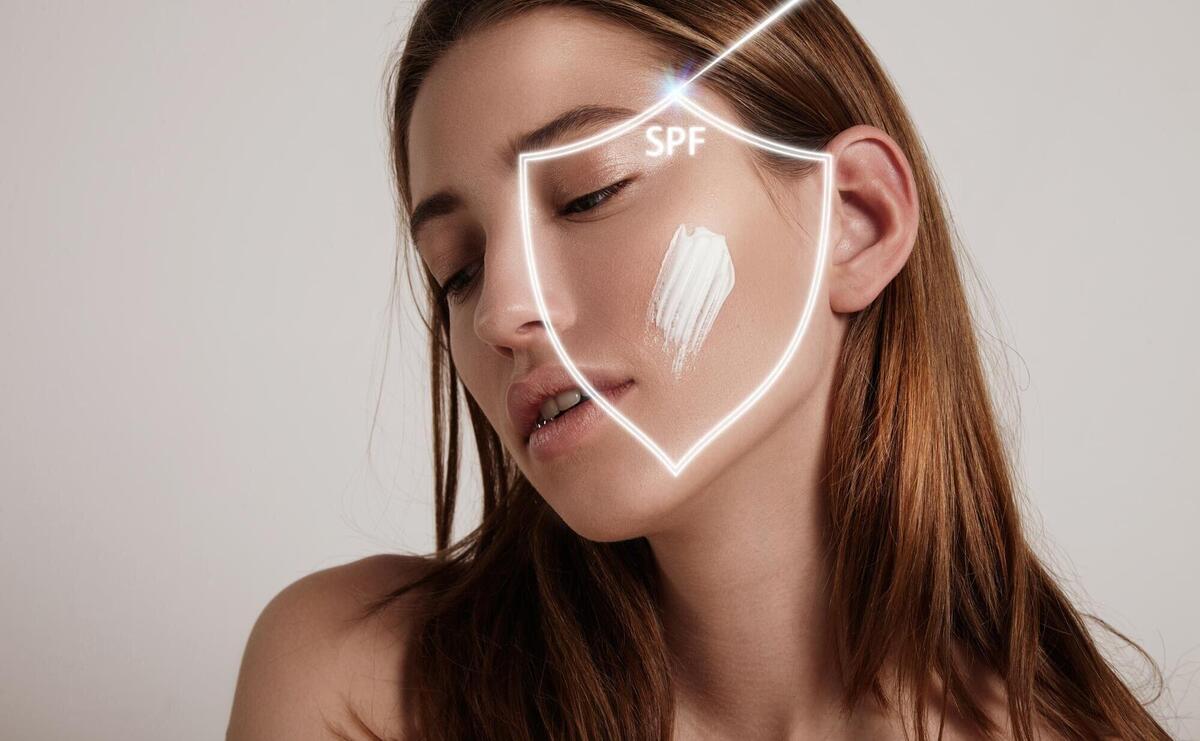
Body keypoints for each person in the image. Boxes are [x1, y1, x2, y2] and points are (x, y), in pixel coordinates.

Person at [227, 1, 1171, 738]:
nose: (503, 311)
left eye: (592, 191)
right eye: (457, 267)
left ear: (857, 219)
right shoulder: (358, 684)